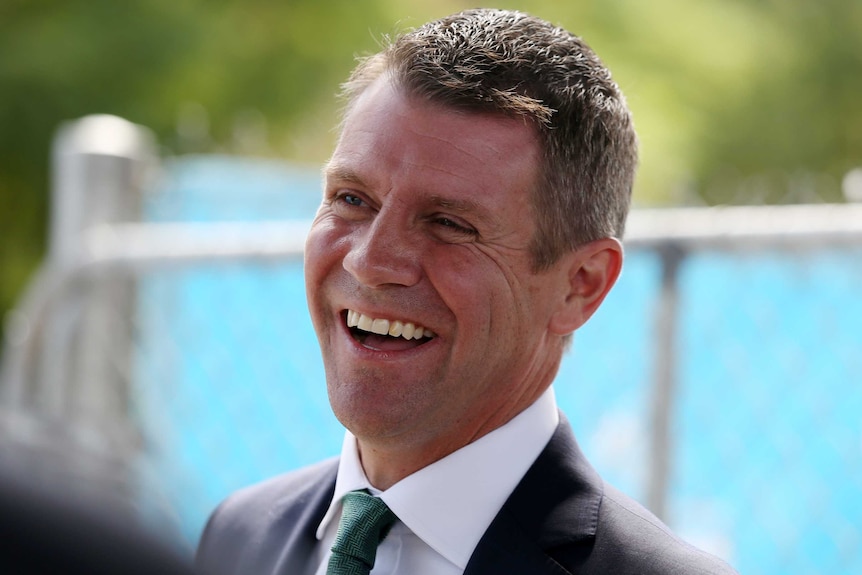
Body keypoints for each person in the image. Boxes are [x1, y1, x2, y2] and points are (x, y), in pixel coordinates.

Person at [196, 8, 738, 575]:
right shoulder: (238, 538)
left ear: (581, 285)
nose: (372, 261)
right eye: (352, 199)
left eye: (449, 224)